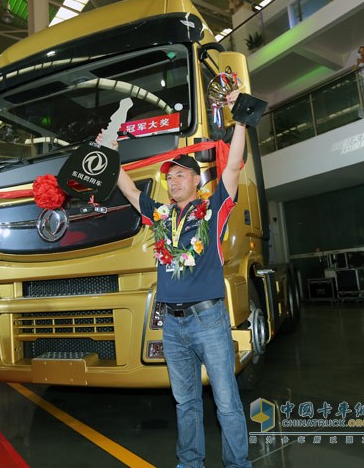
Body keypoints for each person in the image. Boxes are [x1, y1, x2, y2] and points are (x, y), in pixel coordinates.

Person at [99, 90, 251, 468]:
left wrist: (242, 120)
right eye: (169, 176)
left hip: (209, 320)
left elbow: (232, 168)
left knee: (227, 401)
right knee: (185, 401)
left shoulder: (213, 210)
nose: (171, 180)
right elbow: (130, 189)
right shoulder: (162, 216)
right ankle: (190, 464)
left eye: (179, 175)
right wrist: (109, 151)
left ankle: (239, 464)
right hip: (172, 325)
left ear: (197, 181)